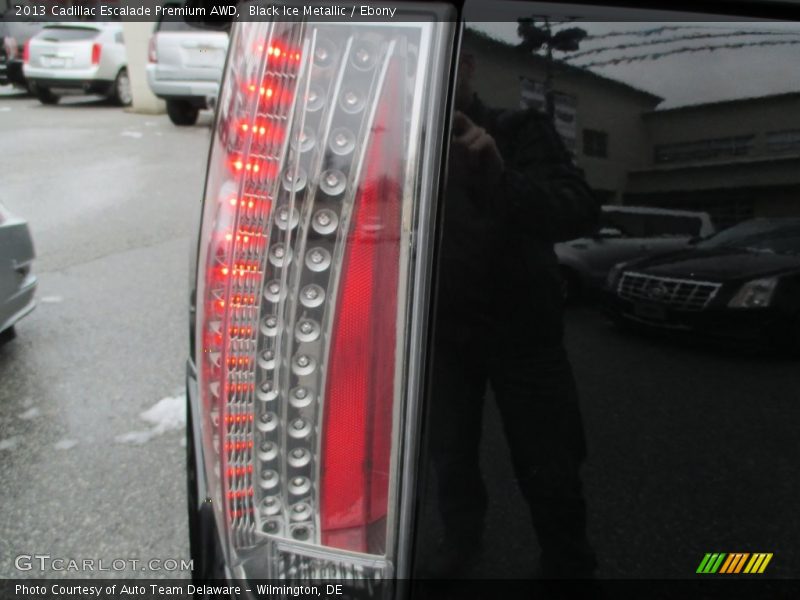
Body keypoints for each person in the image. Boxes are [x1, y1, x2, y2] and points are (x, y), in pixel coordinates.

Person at [427, 52, 599, 579]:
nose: (432, 78)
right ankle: (461, 548)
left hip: (526, 338)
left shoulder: (520, 129)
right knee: (451, 460)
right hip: (446, 339)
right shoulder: (410, 150)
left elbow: (579, 209)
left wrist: (501, 174)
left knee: (550, 465)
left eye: (444, 63)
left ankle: (568, 568)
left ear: (467, 68)